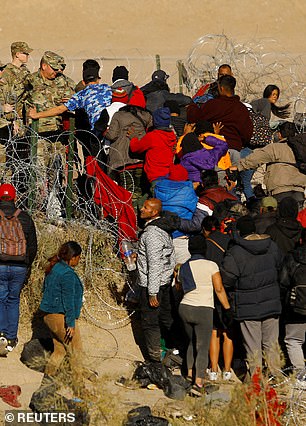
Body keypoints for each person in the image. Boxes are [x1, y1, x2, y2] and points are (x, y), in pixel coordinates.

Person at [221, 215, 283, 376]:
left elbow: (227, 279)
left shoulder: (235, 252)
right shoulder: (272, 246)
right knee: (272, 344)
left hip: (247, 306)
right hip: (272, 303)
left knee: (253, 346)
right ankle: (275, 379)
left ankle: (256, 383)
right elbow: (280, 267)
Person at [176, 235, 231, 391]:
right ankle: (198, 381)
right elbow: (219, 289)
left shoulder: (184, 266)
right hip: (204, 309)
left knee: (191, 342)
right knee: (202, 345)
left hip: (185, 308)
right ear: (204, 249)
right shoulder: (211, 265)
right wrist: (227, 308)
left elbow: (179, 288)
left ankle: (189, 373)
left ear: (189, 249)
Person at [135, 198, 176, 362]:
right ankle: (174, 350)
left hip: (154, 285)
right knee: (166, 318)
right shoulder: (162, 228)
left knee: (150, 322)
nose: (141, 210)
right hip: (164, 282)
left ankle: (155, 358)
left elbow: (155, 264)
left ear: (154, 213)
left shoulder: (152, 234)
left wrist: (152, 293)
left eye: (146, 208)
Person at [39, 241, 85, 378]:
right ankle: (80, 388)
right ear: (73, 257)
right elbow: (68, 300)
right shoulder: (67, 274)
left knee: (59, 350)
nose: (79, 260)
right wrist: (70, 323)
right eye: (78, 257)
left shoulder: (55, 267)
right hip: (60, 317)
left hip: (48, 316)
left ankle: (48, 382)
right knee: (76, 352)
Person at [0, 183, 37, 352]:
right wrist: (26, 266)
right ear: (14, 198)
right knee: (13, 300)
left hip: (0, 265)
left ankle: (0, 334)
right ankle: (10, 338)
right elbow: (33, 247)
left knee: (1, 298)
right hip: (19, 267)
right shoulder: (25, 217)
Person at [187, 75, 253, 164]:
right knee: (232, 177)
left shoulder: (213, 105)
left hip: (215, 150)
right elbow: (247, 133)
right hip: (235, 150)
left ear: (221, 88)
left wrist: (192, 105)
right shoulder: (241, 108)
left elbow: (194, 117)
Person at [235, 121, 306, 204]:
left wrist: (239, 167)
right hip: (299, 192)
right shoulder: (302, 150)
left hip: (280, 191)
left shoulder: (275, 148)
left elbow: (255, 159)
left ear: (279, 135)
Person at [200, 216, 234, 381]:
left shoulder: (204, 245)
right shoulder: (229, 241)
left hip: (210, 291)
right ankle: (227, 370)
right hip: (228, 291)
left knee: (214, 332)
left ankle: (213, 369)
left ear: (205, 229)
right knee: (228, 332)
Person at [129, 107, 177, 191]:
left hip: (155, 174)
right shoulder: (171, 136)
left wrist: (134, 138)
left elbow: (135, 148)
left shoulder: (153, 136)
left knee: (156, 200)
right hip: (167, 173)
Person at [279, 228, 306, 371]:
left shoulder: (292, 257)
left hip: (296, 306)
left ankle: (301, 376)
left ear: (301, 240)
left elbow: (283, 282)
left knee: (294, 340)